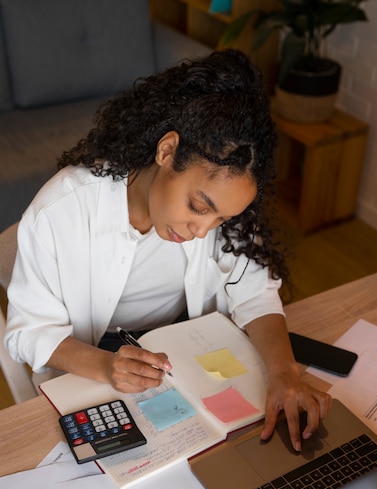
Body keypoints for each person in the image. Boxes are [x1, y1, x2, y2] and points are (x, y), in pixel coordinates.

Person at [5, 49, 331, 451]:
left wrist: (284, 372)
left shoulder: (218, 207)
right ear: (166, 151)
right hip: (92, 359)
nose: (201, 232)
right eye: (198, 207)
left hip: (184, 349)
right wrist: (107, 365)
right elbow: (30, 332)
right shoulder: (62, 210)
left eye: (220, 220)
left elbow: (255, 291)